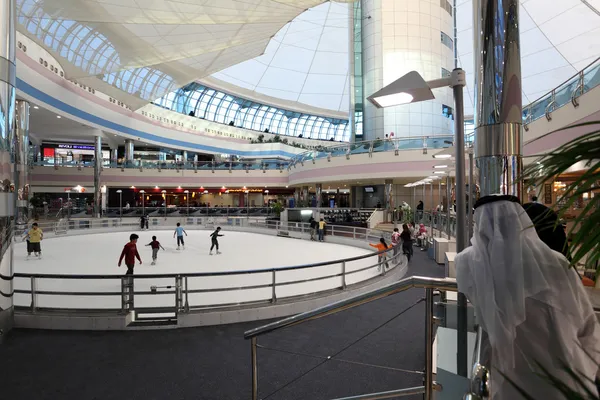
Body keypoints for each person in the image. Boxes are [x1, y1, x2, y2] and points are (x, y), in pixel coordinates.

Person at [455, 195, 600, 399]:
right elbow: (586, 323)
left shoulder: (470, 263)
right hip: (567, 370)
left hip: (512, 380)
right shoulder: (556, 261)